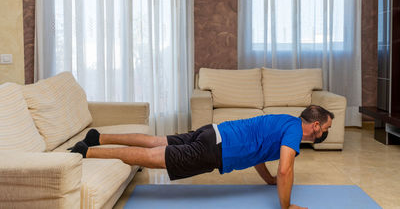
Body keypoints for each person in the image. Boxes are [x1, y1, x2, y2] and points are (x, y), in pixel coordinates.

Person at [70, 105, 333, 209]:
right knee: (153, 156)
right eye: (327, 128)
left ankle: (98, 137)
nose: (326, 133)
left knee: (157, 141)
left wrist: (268, 179)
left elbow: (257, 153)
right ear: (317, 125)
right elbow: (287, 170)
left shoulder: (285, 122)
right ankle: (88, 151)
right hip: (214, 150)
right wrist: (286, 207)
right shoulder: (293, 131)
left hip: (214, 132)